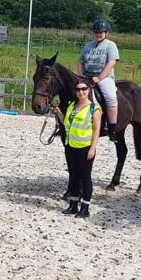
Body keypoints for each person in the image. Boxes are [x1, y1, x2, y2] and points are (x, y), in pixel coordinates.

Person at [52, 79, 101, 218]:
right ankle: (73, 204)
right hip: (71, 146)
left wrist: (93, 148)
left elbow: (96, 130)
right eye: (78, 89)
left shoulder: (94, 109)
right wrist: (59, 113)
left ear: (88, 90)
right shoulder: (72, 105)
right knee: (73, 176)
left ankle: (85, 207)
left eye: (84, 89)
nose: (81, 92)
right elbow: (67, 122)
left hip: (85, 148)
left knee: (85, 178)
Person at [77, 19, 119, 142]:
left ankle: (112, 128)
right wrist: (80, 76)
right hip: (86, 77)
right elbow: (80, 62)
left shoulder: (111, 45)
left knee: (110, 97)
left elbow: (112, 62)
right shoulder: (88, 46)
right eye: (96, 32)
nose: (98, 35)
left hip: (104, 77)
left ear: (106, 33)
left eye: (101, 32)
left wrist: (99, 77)